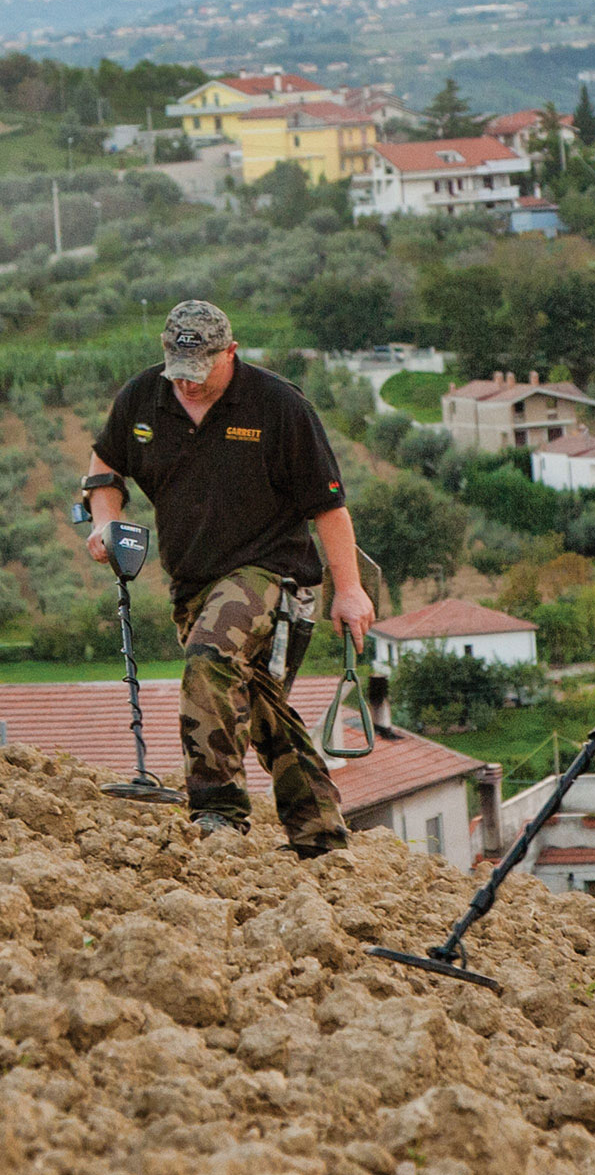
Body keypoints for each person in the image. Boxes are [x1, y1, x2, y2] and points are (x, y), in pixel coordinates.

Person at [81, 300, 375, 857]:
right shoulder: (143, 398)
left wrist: (351, 590)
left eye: (199, 374)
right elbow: (103, 462)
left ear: (229, 354)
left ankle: (217, 814)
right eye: (178, 373)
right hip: (192, 581)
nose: (186, 387)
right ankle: (323, 841)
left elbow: (329, 509)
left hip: (276, 574)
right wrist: (106, 521)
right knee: (258, 707)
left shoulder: (279, 406)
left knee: (207, 659)